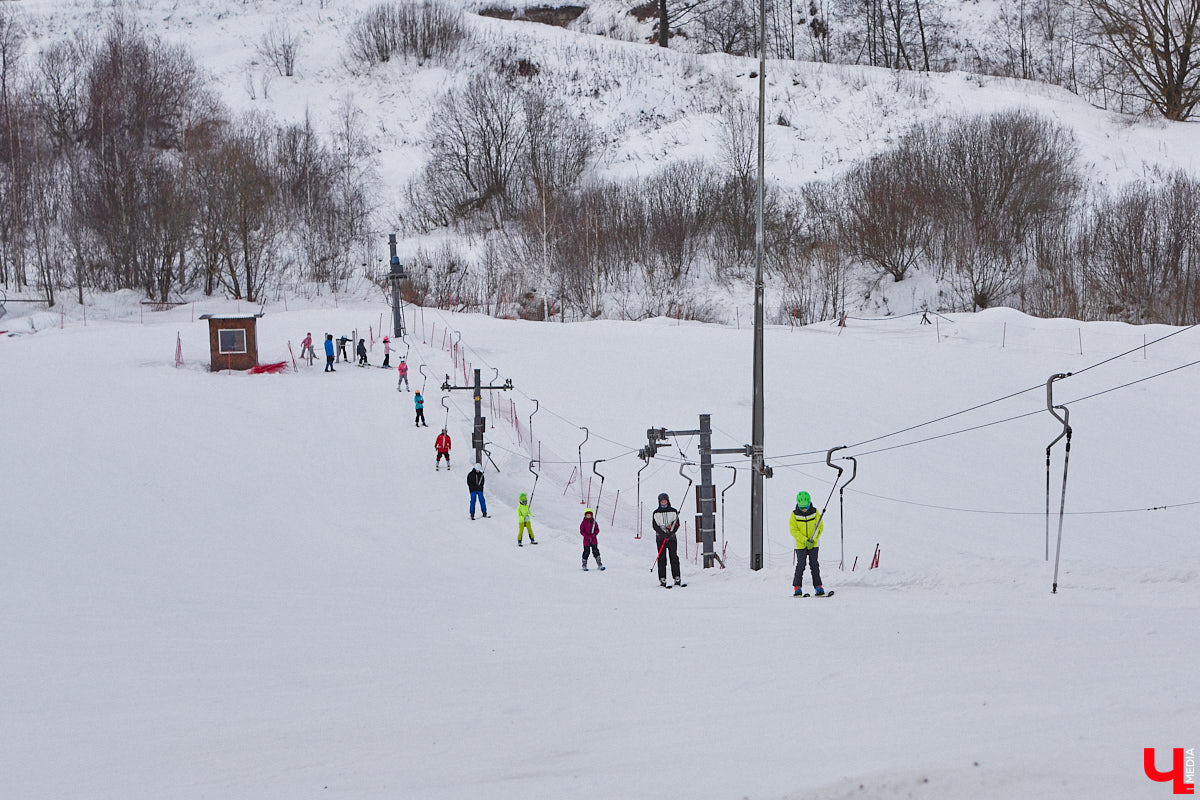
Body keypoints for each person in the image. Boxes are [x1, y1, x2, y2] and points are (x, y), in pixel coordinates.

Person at [790, 491, 825, 596]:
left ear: (810, 503)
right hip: (800, 545)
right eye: (802, 507)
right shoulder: (794, 515)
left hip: (813, 544)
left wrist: (813, 539)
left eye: (806, 507)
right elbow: (793, 530)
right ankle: (797, 587)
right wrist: (805, 540)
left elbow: (819, 527)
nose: (804, 509)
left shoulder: (815, 512)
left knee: (814, 564)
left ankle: (818, 586)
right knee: (801, 564)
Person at [652, 492, 684, 587]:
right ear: (659, 502)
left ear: (668, 501)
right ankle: (662, 578)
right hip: (661, 538)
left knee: (673, 557)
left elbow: (677, 524)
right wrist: (663, 534)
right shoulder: (656, 513)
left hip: (671, 538)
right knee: (662, 558)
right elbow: (655, 526)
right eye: (662, 501)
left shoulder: (673, 511)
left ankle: (677, 577)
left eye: (665, 501)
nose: (664, 503)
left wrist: (671, 532)